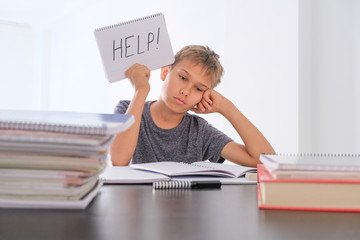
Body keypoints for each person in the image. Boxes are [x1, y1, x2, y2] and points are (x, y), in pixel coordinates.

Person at [110, 45, 275, 167]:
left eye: (198, 89)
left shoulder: (199, 131)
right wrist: (141, 91)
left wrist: (228, 109)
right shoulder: (127, 109)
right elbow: (118, 160)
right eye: (182, 77)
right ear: (165, 72)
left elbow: (267, 161)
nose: (186, 91)